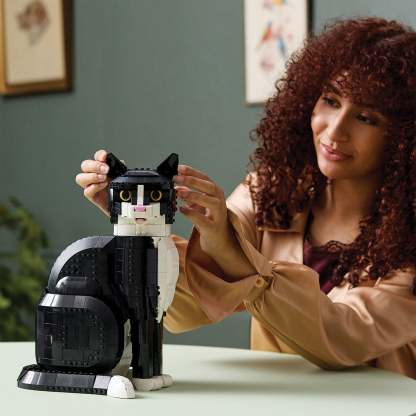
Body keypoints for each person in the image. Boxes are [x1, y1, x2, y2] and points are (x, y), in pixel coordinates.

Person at [76, 17, 416, 379]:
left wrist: (236, 255)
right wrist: (139, 225)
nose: (335, 130)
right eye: (330, 100)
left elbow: (342, 336)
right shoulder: (272, 191)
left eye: (366, 118)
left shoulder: (409, 239)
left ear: (405, 137)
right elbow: (184, 305)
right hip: (278, 402)